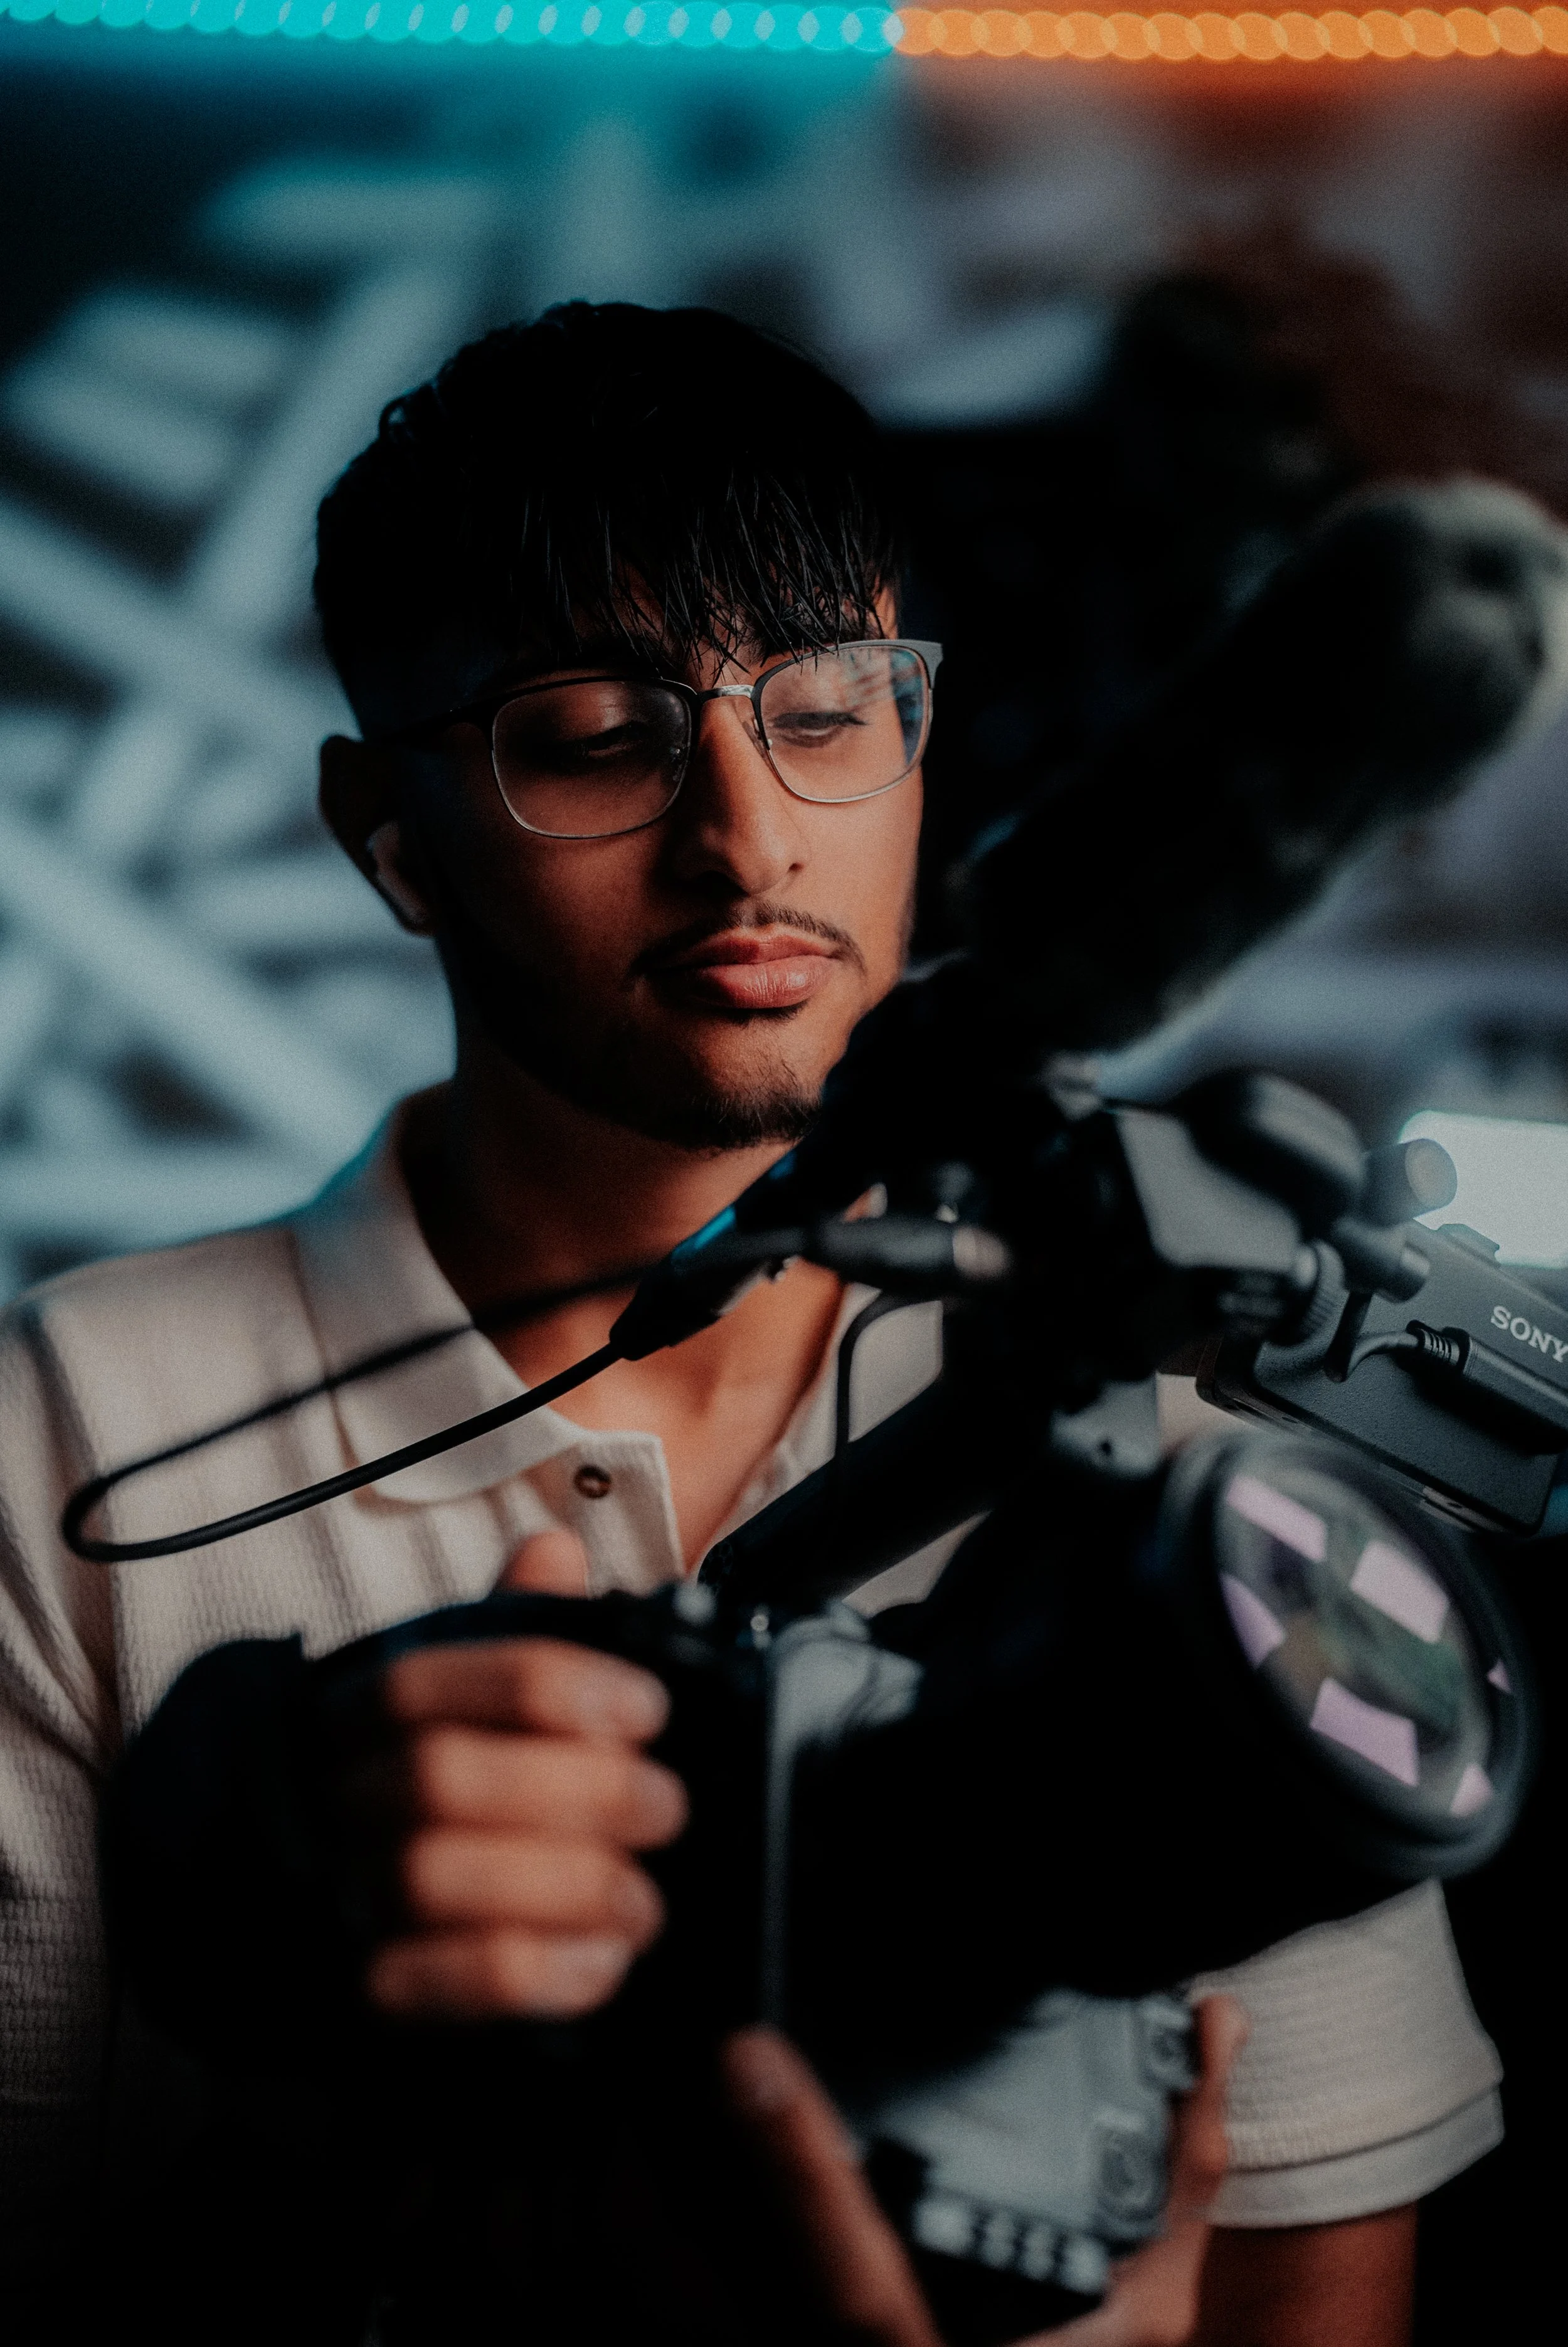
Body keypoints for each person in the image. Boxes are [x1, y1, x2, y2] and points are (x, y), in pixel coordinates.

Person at [0, 305, 1503, 2344]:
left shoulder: (1171, 1477)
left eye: (827, 705)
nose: (748, 837)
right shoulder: (69, 1435)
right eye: (594, 732)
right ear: (387, 840)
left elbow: (1320, 2290)